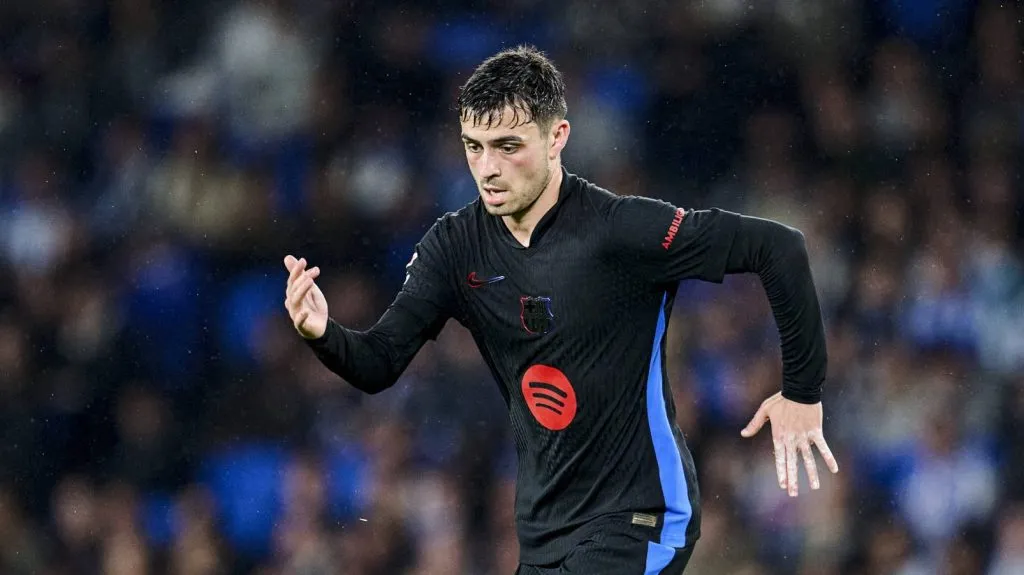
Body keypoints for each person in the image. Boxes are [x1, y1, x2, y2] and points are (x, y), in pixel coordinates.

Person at [283, 45, 839, 574]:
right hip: (544, 533)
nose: (487, 169)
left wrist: (802, 392)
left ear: (557, 138)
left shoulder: (618, 230)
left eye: (507, 145)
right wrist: (321, 332)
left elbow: (777, 247)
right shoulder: (454, 248)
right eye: (473, 146)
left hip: (639, 516)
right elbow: (379, 363)